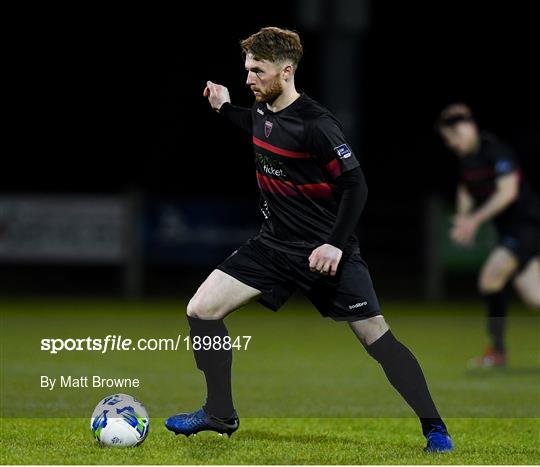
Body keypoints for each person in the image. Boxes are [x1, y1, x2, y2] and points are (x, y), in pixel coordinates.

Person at [165, 27, 452, 452]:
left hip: (325, 253)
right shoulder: (263, 111)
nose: (248, 79)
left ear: (286, 72)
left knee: (378, 339)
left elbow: (356, 185)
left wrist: (335, 243)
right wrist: (224, 106)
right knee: (201, 310)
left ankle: (435, 429)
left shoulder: (317, 124)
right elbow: (254, 124)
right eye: (246, 69)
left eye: (256, 71)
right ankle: (220, 413)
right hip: (273, 246)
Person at [436, 103, 540, 368]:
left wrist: (474, 220)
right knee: (534, 297)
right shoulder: (467, 160)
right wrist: (462, 218)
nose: (452, 144)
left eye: (453, 137)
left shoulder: (495, 151)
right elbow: (466, 189)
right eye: (448, 140)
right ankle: (497, 352)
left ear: (468, 128)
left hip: (528, 226)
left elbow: (508, 193)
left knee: (489, 279)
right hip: (512, 232)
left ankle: (497, 352)